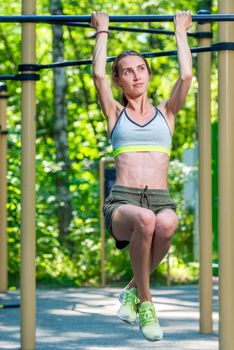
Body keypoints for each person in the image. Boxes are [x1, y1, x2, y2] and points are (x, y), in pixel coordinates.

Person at [91, 10, 192, 342]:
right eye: (126, 72)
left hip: (160, 199)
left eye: (140, 69)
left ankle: (131, 292)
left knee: (167, 223)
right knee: (147, 219)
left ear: (148, 74)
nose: (134, 76)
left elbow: (187, 76)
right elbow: (98, 76)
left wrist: (181, 31)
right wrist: (102, 31)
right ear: (119, 80)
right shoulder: (115, 115)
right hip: (123, 202)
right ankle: (146, 302)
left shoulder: (167, 113)